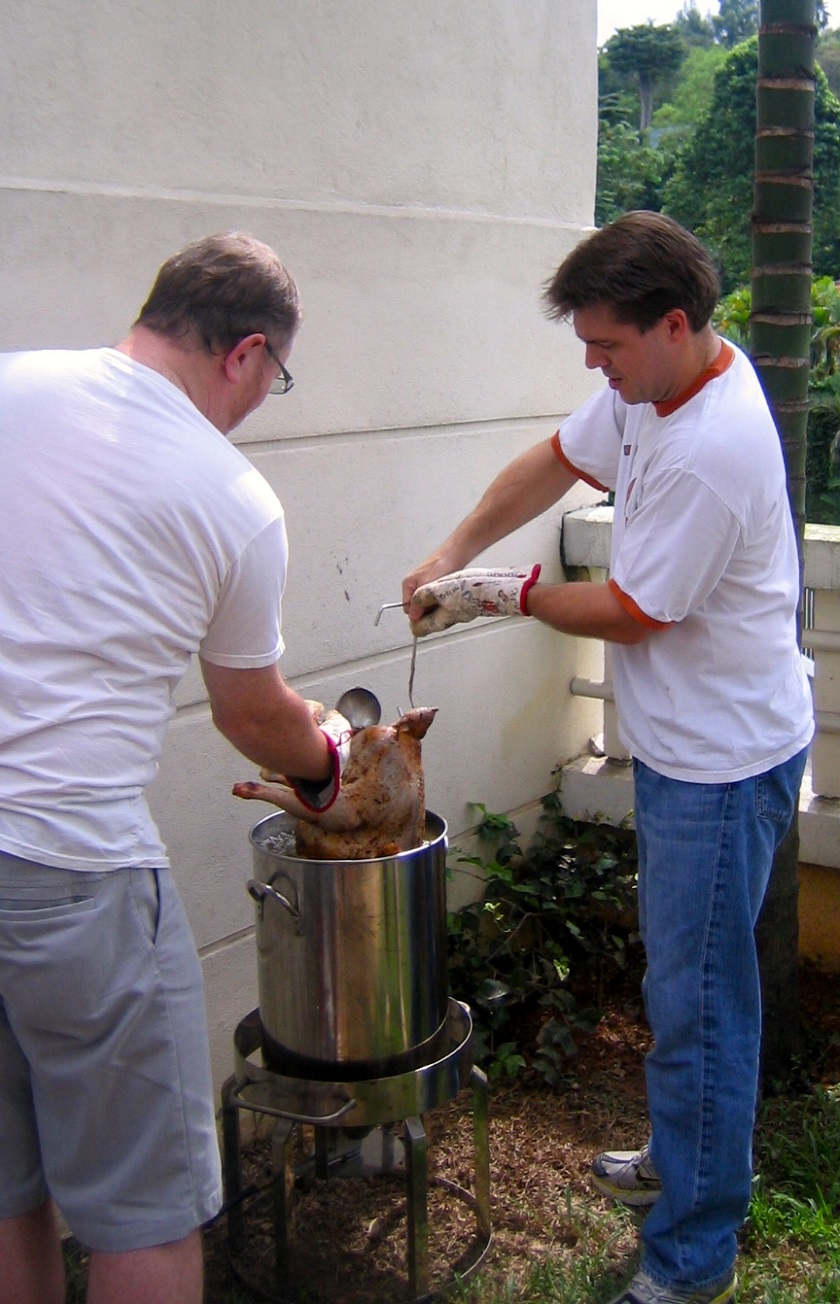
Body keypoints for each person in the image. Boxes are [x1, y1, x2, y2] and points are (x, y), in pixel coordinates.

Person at [403, 211, 814, 1304]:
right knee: (682, 982)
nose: (592, 364)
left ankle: (690, 1255)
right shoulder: (653, 385)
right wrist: (454, 549)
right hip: (690, 748)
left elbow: (633, 611)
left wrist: (504, 594)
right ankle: (684, 1165)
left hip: (722, 767)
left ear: (673, 325)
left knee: (702, 1007)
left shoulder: (713, 446)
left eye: (606, 346)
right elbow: (555, 459)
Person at [0, 232, 351, 1304]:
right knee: (142, 1211)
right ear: (246, 352)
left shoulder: (12, 385)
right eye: (272, 379)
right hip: (75, 870)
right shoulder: (234, 499)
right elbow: (250, 712)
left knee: (9, 1185)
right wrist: (327, 758)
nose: (258, 402)